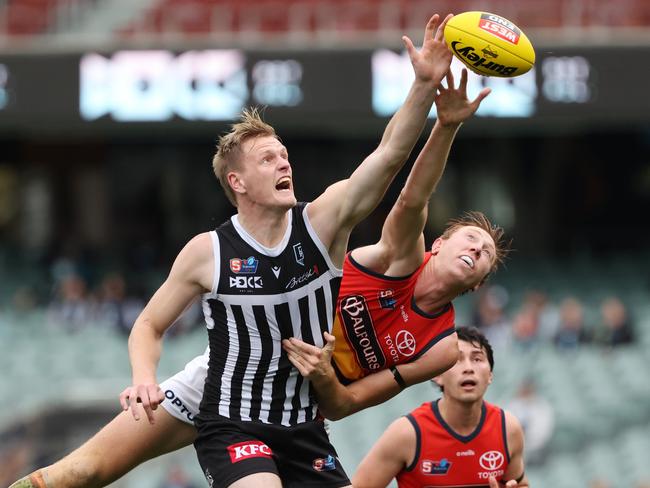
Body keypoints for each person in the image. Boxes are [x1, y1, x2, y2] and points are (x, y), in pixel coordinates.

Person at [10, 13, 457, 488]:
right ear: (237, 182)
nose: (284, 161)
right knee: (83, 471)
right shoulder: (209, 252)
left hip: (299, 422)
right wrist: (144, 377)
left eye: (284, 154)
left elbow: (387, 156)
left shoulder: (321, 224)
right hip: (221, 400)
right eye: (268, 158)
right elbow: (148, 324)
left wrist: (424, 86)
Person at [281, 71, 502, 420]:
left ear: (477, 284)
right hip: (262, 360)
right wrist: (446, 127)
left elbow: (346, 404)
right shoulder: (401, 258)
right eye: (471, 238)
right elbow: (413, 199)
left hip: (302, 415)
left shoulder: (442, 348)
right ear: (439, 244)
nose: (477, 249)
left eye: (486, 254)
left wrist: (323, 375)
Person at [352, 327, 529, 488]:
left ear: (490, 375)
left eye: (477, 359)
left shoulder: (508, 428)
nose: (468, 368)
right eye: (457, 360)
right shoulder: (407, 433)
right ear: (437, 375)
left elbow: (520, 484)